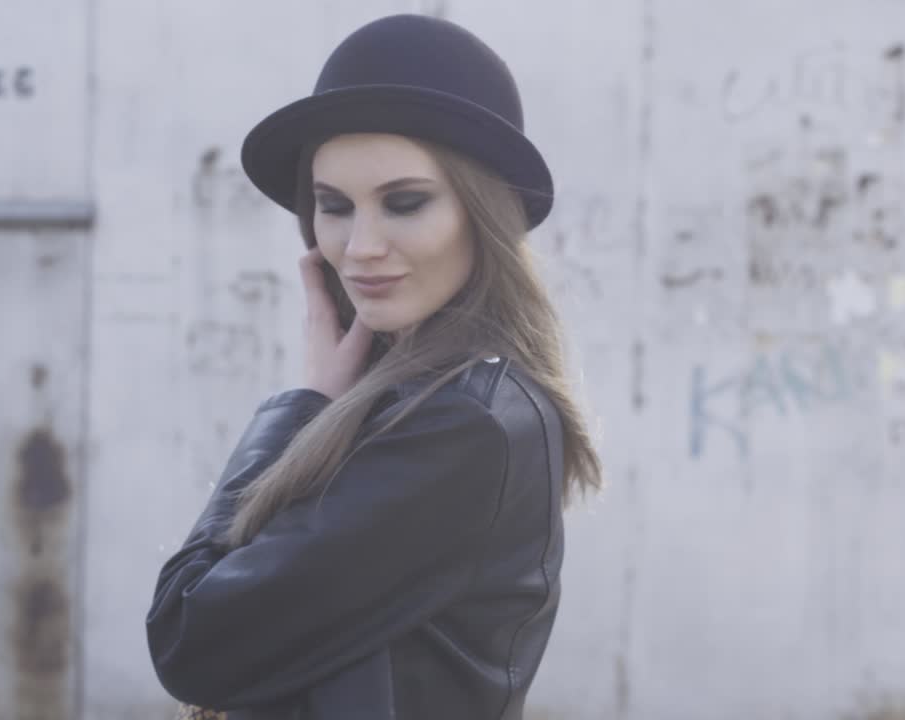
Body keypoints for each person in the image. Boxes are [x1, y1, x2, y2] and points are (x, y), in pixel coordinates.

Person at [147, 13, 602, 719]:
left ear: (481, 215)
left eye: (405, 203)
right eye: (333, 207)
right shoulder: (429, 403)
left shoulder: (464, 425)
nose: (360, 246)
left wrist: (298, 405)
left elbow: (191, 639)